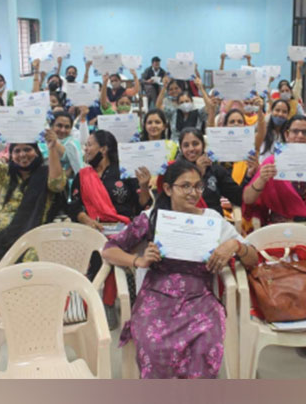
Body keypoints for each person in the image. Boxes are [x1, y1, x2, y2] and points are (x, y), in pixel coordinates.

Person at [102, 160, 259, 379]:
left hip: (199, 298)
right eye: (185, 186)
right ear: (167, 188)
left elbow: (253, 258)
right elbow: (109, 249)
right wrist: (138, 260)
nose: (193, 192)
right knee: (153, 345)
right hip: (156, 298)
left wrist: (235, 245)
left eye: (197, 186)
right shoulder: (152, 219)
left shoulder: (211, 221)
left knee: (206, 343)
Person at [0, 120, 67, 285]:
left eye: (27, 149)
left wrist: (52, 147)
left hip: (32, 232)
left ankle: (23, 304)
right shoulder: (4, 173)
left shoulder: (45, 173)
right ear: (11, 154)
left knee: (29, 263)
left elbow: (57, 184)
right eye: (17, 151)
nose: (22, 155)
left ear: (36, 151)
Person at [243, 115, 306, 227]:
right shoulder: (271, 163)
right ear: (287, 135)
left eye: (305, 132)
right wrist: (261, 180)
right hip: (280, 227)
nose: (300, 136)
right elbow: (248, 199)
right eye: (295, 131)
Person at [68, 130, 151, 229]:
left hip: (124, 232)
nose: (85, 149)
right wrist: (85, 219)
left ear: (103, 149)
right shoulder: (82, 175)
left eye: (89, 145)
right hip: (92, 231)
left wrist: (144, 186)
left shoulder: (124, 172)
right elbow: (74, 206)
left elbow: (142, 205)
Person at [177, 128, 243, 215]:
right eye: (186, 145)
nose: (191, 148)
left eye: (195, 144)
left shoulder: (216, 170)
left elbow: (238, 197)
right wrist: (198, 173)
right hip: (185, 220)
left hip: (213, 220)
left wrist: (250, 175)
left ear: (203, 145)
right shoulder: (176, 171)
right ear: (181, 149)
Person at [158, 77, 215, 141]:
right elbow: (158, 106)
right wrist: (164, 87)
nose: (184, 104)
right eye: (181, 102)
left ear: (192, 102)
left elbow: (210, 107)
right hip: (175, 145)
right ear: (178, 105)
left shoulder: (199, 113)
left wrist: (201, 88)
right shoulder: (173, 112)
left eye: (187, 101)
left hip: (194, 143)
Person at [39, 111, 84, 180]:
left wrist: (54, 142)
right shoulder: (40, 143)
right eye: (59, 126)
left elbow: (65, 155)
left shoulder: (73, 143)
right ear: (51, 126)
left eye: (67, 127)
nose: (63, 130)